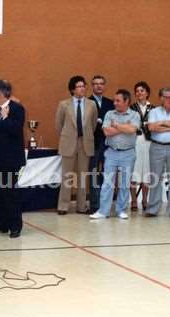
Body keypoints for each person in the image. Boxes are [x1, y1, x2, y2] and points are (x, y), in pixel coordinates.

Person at [90, 89, 140, 219]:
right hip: (111, 152)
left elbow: (132, 130)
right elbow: (106, 132)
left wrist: (116, 125)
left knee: (124, 183)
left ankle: (121, 210)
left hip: (128, 153)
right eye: (114, 100)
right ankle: (103, 211)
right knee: (107, 182)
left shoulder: (135, 115)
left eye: (118, 100)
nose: (115, 103)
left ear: (126, 101)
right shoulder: (109, 113)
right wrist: (124, 127)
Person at [0, 80, 25, 238]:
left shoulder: (16, 109)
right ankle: (1, 223)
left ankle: (15, 226)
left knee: (10, 193)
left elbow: (15, 130)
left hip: (10, 160)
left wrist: (6, 118)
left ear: (0, 93)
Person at [56, 75, 98, 215]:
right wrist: (68, 136)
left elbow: (92, 125)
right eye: (79, 86)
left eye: (83, 86)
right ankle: (63, 206)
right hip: (68, 143)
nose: (82, 89)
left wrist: (84, 135)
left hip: (85, 143)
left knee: (82, 176)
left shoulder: (91, 104)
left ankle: (81, 206)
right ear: (72, 89)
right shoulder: (63, 104)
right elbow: (59, 125)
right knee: (67, 176)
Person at [144, 87, 170, 219]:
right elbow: (152, 128)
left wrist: (162, 124)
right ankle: (153, 209)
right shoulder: (154, 112)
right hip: (157, 147)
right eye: (167, 97)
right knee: (155, 177)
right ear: (161, 98)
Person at [88, 75, 114, 214]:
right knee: (93, 173)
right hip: (92, 143)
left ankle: (106, 203)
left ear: (104, 86)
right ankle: (94, 204)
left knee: (107, 174)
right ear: (92, 86)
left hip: (108, 143)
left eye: (101, 83)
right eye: (96, 84)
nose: (99, 86)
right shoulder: (87, 102)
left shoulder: (110, 103)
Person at [130, 81, 155, 211]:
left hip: (149, 142)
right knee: (134, 170)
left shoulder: (154, 109)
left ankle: (145, 200)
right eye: (137, 91)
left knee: (147, 171)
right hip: (136, 141)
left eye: (142, 90)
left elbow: (156, 125)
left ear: (147, 93)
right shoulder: (131, 108)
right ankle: (134, 200)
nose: (139, 93)